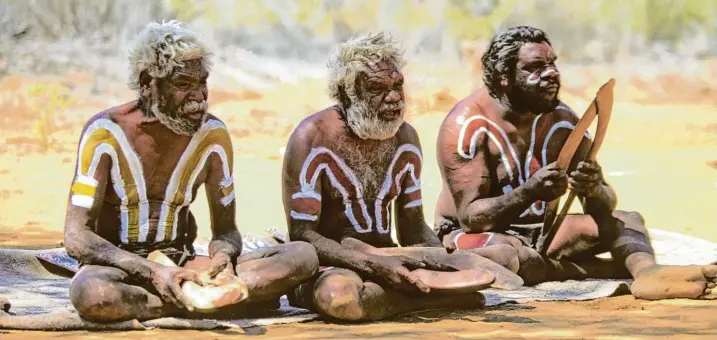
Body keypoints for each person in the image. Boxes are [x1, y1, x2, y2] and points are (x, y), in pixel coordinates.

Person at [433, 25, 717, 300]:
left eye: (552, 64)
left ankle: (648, 273)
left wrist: (593, 188)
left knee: (627, 222)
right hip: (478, 237)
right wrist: (529, 192)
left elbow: (605, 203)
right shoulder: (467, 127)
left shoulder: (563, 122)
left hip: (543, 232)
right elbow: (471, 219)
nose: (551, 74)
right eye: (535, 67)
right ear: (503, 76)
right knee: (505, 257)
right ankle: (604, 270)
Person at [64, 20, 318, 322]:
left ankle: (183, 299)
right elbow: (77, 236)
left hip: (185, 261)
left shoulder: (213, 137)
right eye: (184, 85)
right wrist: (153, 271)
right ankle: (215, 300)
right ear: (148, 82)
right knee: (92, 293)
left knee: (302, 255)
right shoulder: (105, 133)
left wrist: (223, 257)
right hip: (120, 266)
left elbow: (225, 231)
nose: (199, 97)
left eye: (202, 83)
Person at [281, 32, 523, 322]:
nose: (394, 97)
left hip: (394, 256)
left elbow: (412, 227)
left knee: (505, 259)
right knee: (340, 299)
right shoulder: (312, 138)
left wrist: (441, 258)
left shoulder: (406, 139)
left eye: (398, 85)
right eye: (377, 88)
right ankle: (438, 299)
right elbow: (303, 235)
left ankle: (411, 294)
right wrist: (373, 265)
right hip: (334, 264)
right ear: (348, 94)